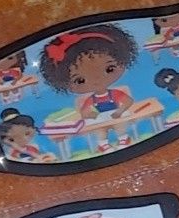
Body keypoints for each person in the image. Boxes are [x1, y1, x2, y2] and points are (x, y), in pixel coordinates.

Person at [39, 23, 139, 153]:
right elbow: (85, 112)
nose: (97, 80)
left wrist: (119, 111)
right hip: (100, 118)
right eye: (80, 80)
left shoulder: (114, 94)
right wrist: (91, 114)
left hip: (117, 115)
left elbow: (128, 102)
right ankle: (104, 145)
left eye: (109, 69)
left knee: (120, 125)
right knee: (99, 130)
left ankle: (123, 139)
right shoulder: (91, 99)